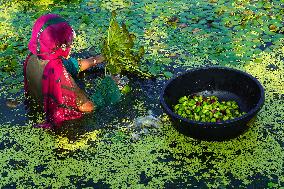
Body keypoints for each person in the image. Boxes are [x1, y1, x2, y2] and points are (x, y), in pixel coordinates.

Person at [23, 14, 104, 128]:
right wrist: (107, 89)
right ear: (58, 44)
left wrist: (98, 59)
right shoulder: (57, 73)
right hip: (61, 125)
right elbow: (87, 107)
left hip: (36, 105)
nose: (70, 43)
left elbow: (73, 65)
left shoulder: (34, 56)